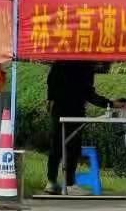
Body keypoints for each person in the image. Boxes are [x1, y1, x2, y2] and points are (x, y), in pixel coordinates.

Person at [46, 61, 121, 195]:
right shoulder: (86, 66)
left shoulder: (59, 62)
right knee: (72, 147)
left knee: (56, 146)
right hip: (74, 111)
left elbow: (51, 84)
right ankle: (68, 184)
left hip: (59, 109)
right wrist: (110, 104)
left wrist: (50, 100)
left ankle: (52, 182)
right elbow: (89, 94)